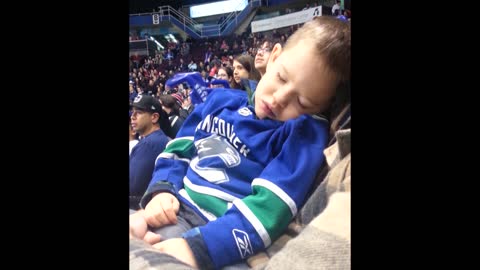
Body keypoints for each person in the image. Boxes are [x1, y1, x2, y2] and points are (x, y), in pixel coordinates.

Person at [131, 16, 351, 269]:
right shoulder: (220, 100)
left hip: (221, 234)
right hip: (173, 206)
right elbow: (177, 149)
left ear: (322, 108)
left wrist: (200, 247)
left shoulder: (304, 134)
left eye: (302, 103)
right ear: (274, 56)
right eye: (281, 78)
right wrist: (161, 190)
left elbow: (269, 209)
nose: (279, 99)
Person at [129, 94, 172, 210]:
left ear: (154, 117)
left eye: (138, 112)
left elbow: (133, 188)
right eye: (132, 112)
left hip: (138, 209)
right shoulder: (157, 139)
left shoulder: (150, 144)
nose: (132, 116)